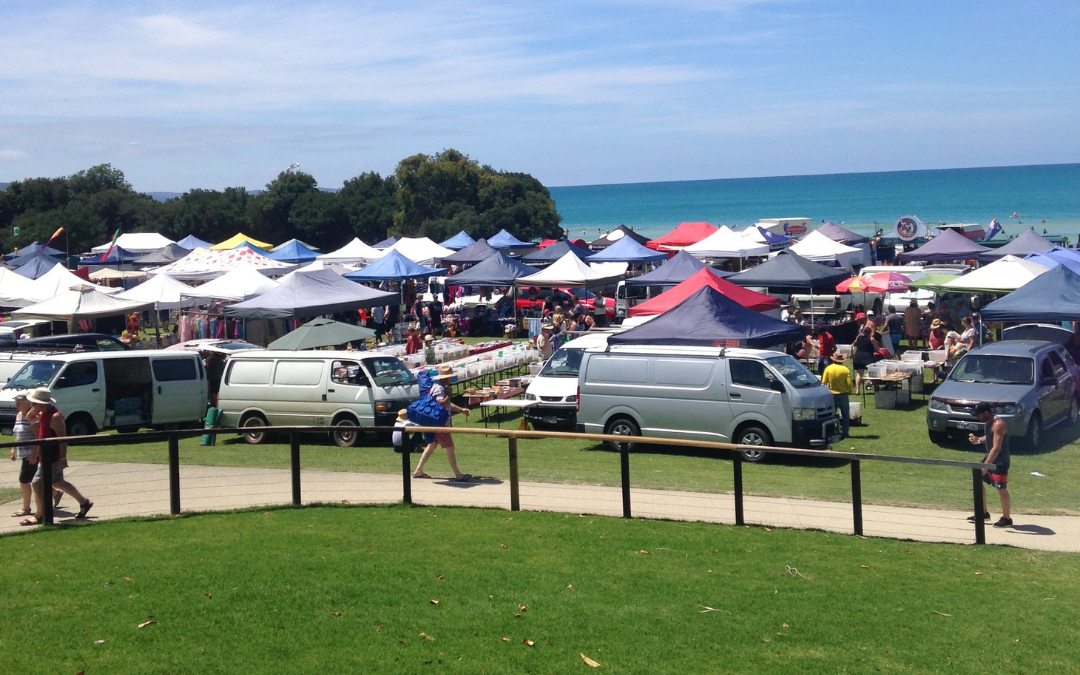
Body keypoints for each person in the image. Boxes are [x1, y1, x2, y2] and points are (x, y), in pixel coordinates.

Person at [21, 387, 92, 526]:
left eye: (34, 403)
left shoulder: (55, 417)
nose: (32, 406)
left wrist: (63, 458)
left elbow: (62, 439)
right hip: (45, 456)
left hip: (52, 458)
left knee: (36, 483)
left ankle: (40, 515)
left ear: (42, 403)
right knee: (58, 483)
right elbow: (29, 418)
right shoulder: (42, 414)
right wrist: (34, 409)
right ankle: (84, 503)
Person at [412, 365, 472, 482]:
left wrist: (461, 410)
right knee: (450, 447)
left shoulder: (437, 387)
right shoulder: (439, 389)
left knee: (432, 445)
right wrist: (449, 395)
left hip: (434, 422)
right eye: (450, 377)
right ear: (446, 378)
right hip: (440, 424)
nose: (451, 380)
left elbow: (447, 405)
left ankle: (418, 470)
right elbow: (441, 404)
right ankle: (458, 474)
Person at [969, 402, 1012, 528]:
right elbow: (989, 437)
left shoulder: (998, 424)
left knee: (1001, 488)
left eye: (979, 415)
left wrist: (985, 466)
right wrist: (978, 440)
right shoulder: (989, 423)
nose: (977, 417)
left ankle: (1006, 518)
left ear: (986, 413)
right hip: (990, 458)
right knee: (975, 480)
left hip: (1000, 461)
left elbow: (996, 448)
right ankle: (982, 513)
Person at [820, 352, 852, 438]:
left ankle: (830, 431)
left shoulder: (828, 369)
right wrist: (850, 391)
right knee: (845, 415)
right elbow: (849, 383)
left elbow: (823, 382)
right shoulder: (845, 369)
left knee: (831, 415)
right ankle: (845, 432)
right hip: (843, 395)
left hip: (832, 394)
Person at [851, 326, 879, 395]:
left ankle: (857, 390)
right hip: (868, 356)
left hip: (858, 356)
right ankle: (876, 388)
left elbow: (852, 345)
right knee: (872, 373)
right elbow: (878, 349)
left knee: (859, 374)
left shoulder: (858, 337)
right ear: (870, 333)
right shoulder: (871, 339)